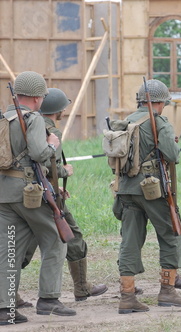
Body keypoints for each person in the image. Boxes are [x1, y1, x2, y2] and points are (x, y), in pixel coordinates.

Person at [17, 88, 108, 304]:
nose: (64, 112)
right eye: (63, 109)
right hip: (45, 195)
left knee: (22, 245)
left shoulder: (26, 125)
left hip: (26, 192)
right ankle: (81, 287)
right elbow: (50, 166)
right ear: (58, 110)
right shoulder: (51, 132)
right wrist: (66, 171)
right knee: (72, 236)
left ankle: (10, 293)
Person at [0, 71, 75, 325]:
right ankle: (49, 300)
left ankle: (4, 309)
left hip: (4, 194)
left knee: (8, 250)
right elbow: (39, 153)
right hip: (29, 193)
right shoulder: (32, 119)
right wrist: (52, 144)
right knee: (55, 239)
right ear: (36, 98)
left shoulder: (3, 118)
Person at [113, 79, 181, 314]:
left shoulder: (125, 121)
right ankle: (167, 291)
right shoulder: (158, 122)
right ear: (159, 102)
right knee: (170, 234)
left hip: (126, 188)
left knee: (130, 241)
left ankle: (127, 296)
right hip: (152, 189)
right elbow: (172, 155)